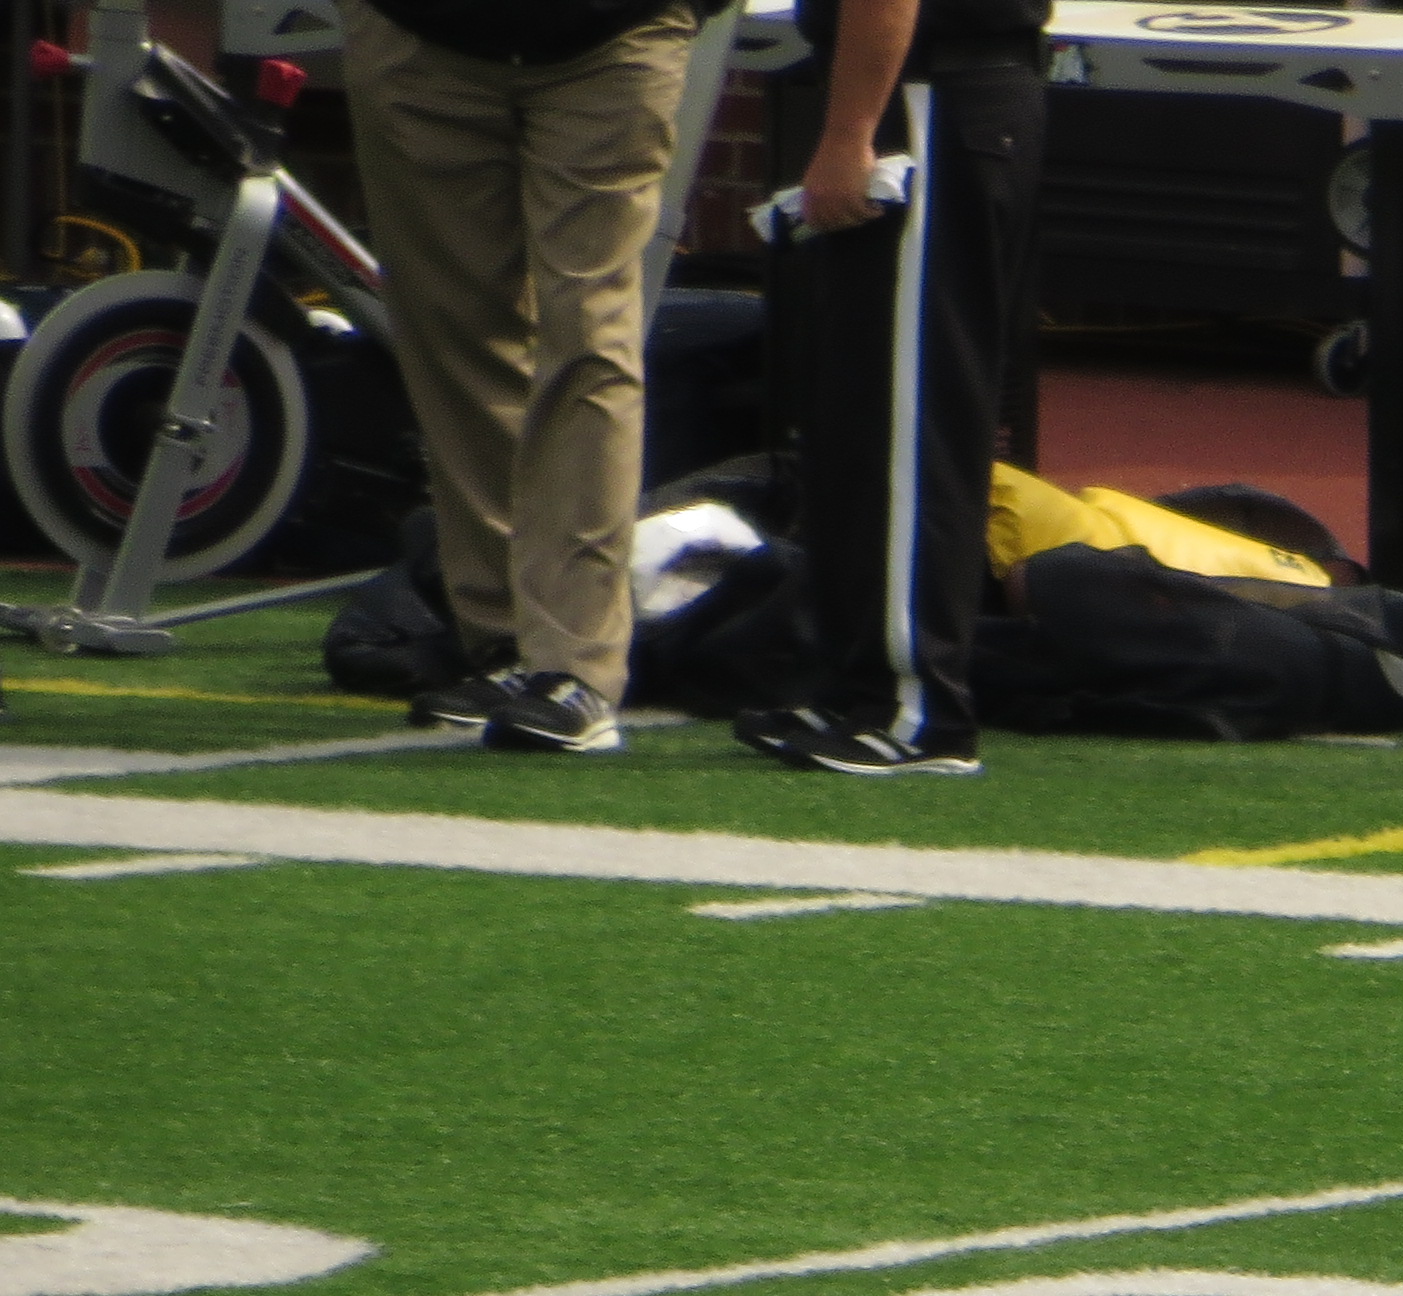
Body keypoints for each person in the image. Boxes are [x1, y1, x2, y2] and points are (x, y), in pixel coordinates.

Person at [335, 0, 716, 755]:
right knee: (454, 338)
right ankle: (505, 644)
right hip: (419, 36)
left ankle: (575, 666)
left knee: (589, 338)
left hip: (615, 34)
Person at [735, 0, 1045, 779]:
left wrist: (846, 134)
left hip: (929, 97)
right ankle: (862, 682)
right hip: (933, 94)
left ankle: (916, 707)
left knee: (911, 417)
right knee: (871, 410)